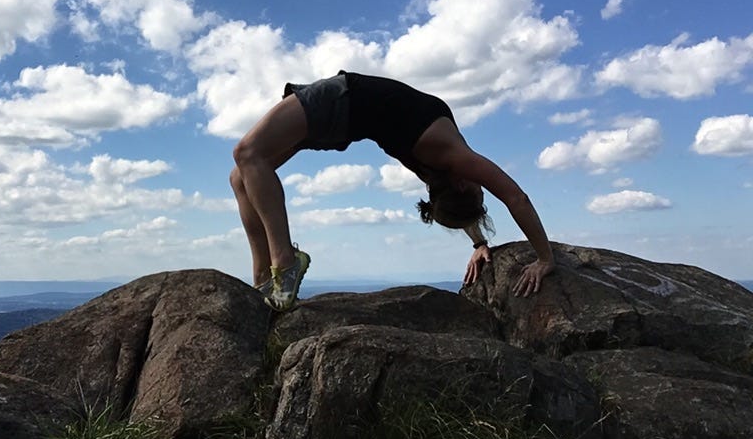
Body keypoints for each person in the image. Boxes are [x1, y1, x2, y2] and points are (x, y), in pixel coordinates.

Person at [229, 71, 555, 311]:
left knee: (247, 153)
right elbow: (456, 199)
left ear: (462, 182)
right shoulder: (438, 167)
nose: (480, 183)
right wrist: (480, 242)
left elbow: (516, 197)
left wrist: (544, 258)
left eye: (479, 190)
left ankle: (285, 264)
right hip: (347, 121)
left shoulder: (454, 159)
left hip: (344, 98)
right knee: (241, 177)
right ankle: (263, 280)